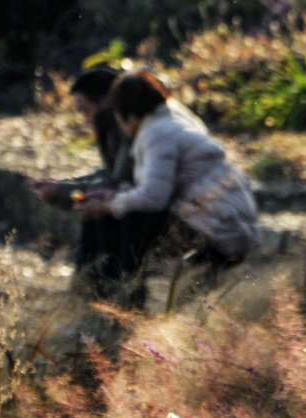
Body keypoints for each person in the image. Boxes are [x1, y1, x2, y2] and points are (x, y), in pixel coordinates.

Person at [74, 71, 260, 275]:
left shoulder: (157, 133)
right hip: (228, 224)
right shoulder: (170, 119)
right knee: (117, 212)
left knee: (120, 219)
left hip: (220, 232)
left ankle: (121, 287)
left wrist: (109, 205)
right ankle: (112, 284)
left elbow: (153, 197)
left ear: (130, 115)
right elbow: (154, 188)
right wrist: (112, 198)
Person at [27, 66, 169, 301]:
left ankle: (110, 300)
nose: (85, 120)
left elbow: (117, 183)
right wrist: (62, 188)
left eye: (85, 110)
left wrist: (63, 192)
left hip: (166, 213)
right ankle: (90, 298)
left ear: (106, 101)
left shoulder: (133, 128)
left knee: (103, 213)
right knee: (94, 209)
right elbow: (110, 177)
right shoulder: (116, 128)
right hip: (151, 205)